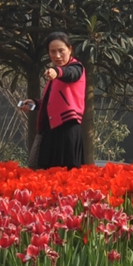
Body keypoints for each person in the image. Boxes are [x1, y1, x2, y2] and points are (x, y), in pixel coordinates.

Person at [19, 32, 88, 169]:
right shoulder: (54, 76)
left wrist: (57, 72)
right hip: (50, 130)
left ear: (70, 49)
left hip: (67, 129)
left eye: (61, 51)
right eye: (53, 51)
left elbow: (70, 74)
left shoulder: (76, 68)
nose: (57, 55)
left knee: (67, 174)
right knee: (45, 173)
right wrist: (36, 103)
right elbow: (51, 101)